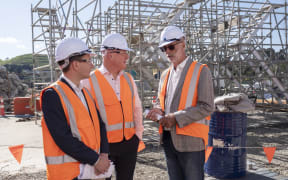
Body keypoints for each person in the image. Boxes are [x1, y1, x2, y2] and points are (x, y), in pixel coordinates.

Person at [146, 26, 214, 180]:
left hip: (191, 142)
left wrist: (175, 117)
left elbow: (207, 106)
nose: (168, 52)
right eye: (164, 49)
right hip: (169, 140)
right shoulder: (165, 75)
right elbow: (160, 101)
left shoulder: (201, 71)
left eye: (171, 47)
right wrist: (157, 110)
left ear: (183, 43)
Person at [41, 37, 110, 180]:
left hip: (92, 171)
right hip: (69, 175)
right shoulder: (52, 95)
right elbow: (63, 138)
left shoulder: (85, 92)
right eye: (88, 60)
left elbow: (100, 125)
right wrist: (96, 160)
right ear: (75, 65)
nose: (92, 65)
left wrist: (103, 154)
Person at [82, 33, 144, 180]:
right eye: (124, 53)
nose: (127, 57)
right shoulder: (89, 81)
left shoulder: (129, 79)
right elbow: (84, 118)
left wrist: (138, 136)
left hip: (129, 144)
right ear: (110, 54)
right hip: (102, 149)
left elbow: (137, 109)